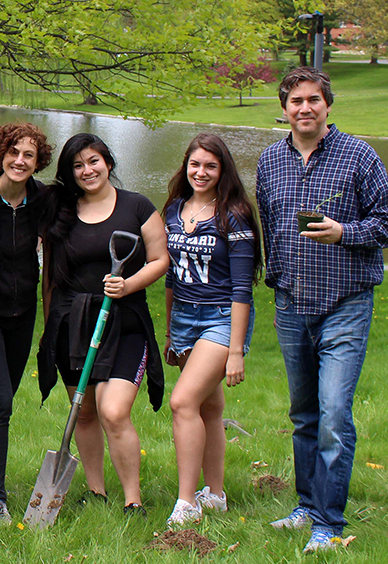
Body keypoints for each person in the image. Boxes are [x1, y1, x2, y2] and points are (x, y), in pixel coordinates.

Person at [255, 67, 388, 553]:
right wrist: (276, 281)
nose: (304, 108)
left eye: (313, 100)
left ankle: (329, 525)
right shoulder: (271, 160)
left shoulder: (359, 156)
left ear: (328, 105)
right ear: (284, 108)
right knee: (304, 415)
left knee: (335, 413)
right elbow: (271, 224)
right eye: (295, 101)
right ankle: (306, 507)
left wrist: (345, 233)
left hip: (345, 302)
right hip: (293, 303)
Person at [37, 133, 169, 515]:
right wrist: (49, 331)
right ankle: (96, 491)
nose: (87, 170)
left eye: (93, 161)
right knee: (86, 411)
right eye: (78, 165)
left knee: (114, 410)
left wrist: (127, 284)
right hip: (73, 325)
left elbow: (160, 260)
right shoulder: (61, 211)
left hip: (124, 323)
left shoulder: (137, 206)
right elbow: (51, 280)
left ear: (108, 162)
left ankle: (133, 500)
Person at [161, 133, 261, 528]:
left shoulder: (233, 214)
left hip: (221, 318)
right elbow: (170, 277)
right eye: (195, 164)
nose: (201, 172)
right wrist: (170, 332)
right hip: (185, 317)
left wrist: (235, 350)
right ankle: (215, 495)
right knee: (209, 407)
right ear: (185, 166)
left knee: (182, 403)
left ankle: (186, 502)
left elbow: (242, 288)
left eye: (211, 166)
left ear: (223, 171)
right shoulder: (173, 209)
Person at [0, 122, 52, 524]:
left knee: (1, 400)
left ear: (38, 162)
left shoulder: (44, 199)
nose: (20, 161)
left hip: (23, 314)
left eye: (29, 155)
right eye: (14, 152)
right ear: (1, 153)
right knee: (0, 398)